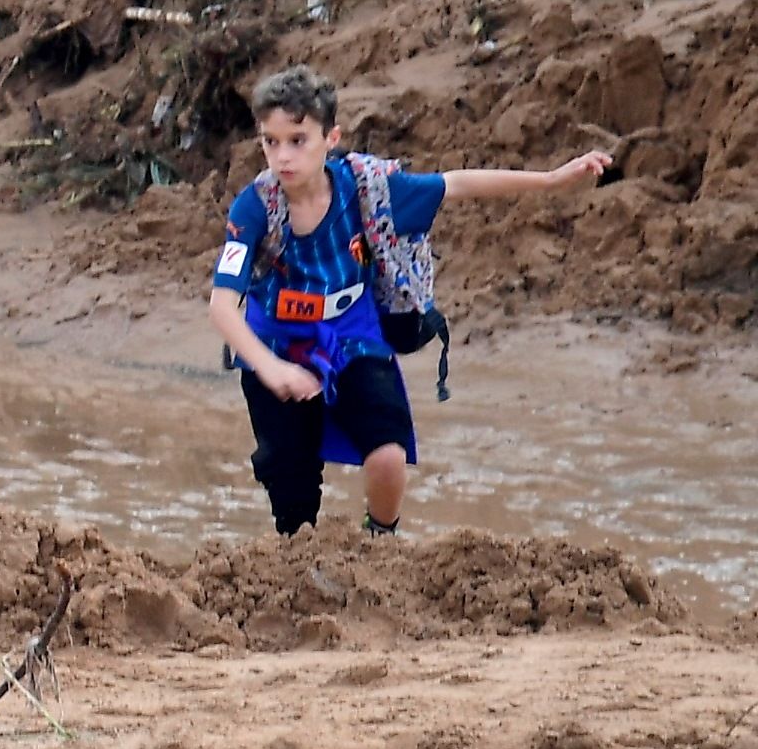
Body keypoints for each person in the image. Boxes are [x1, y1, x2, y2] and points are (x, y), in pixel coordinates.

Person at [209, 65, 609, 538]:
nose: (283, 156)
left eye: (298, 140)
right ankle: (298, 564)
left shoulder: (370, 189)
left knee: (389, 456)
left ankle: (380, 544)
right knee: (292, 498)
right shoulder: (254, 206)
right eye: (270, 142)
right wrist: (270, 369)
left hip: (351, 335)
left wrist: (549, 180)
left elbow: (455, 184)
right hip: (273, 343)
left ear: (330, 138)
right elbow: (222, 304)